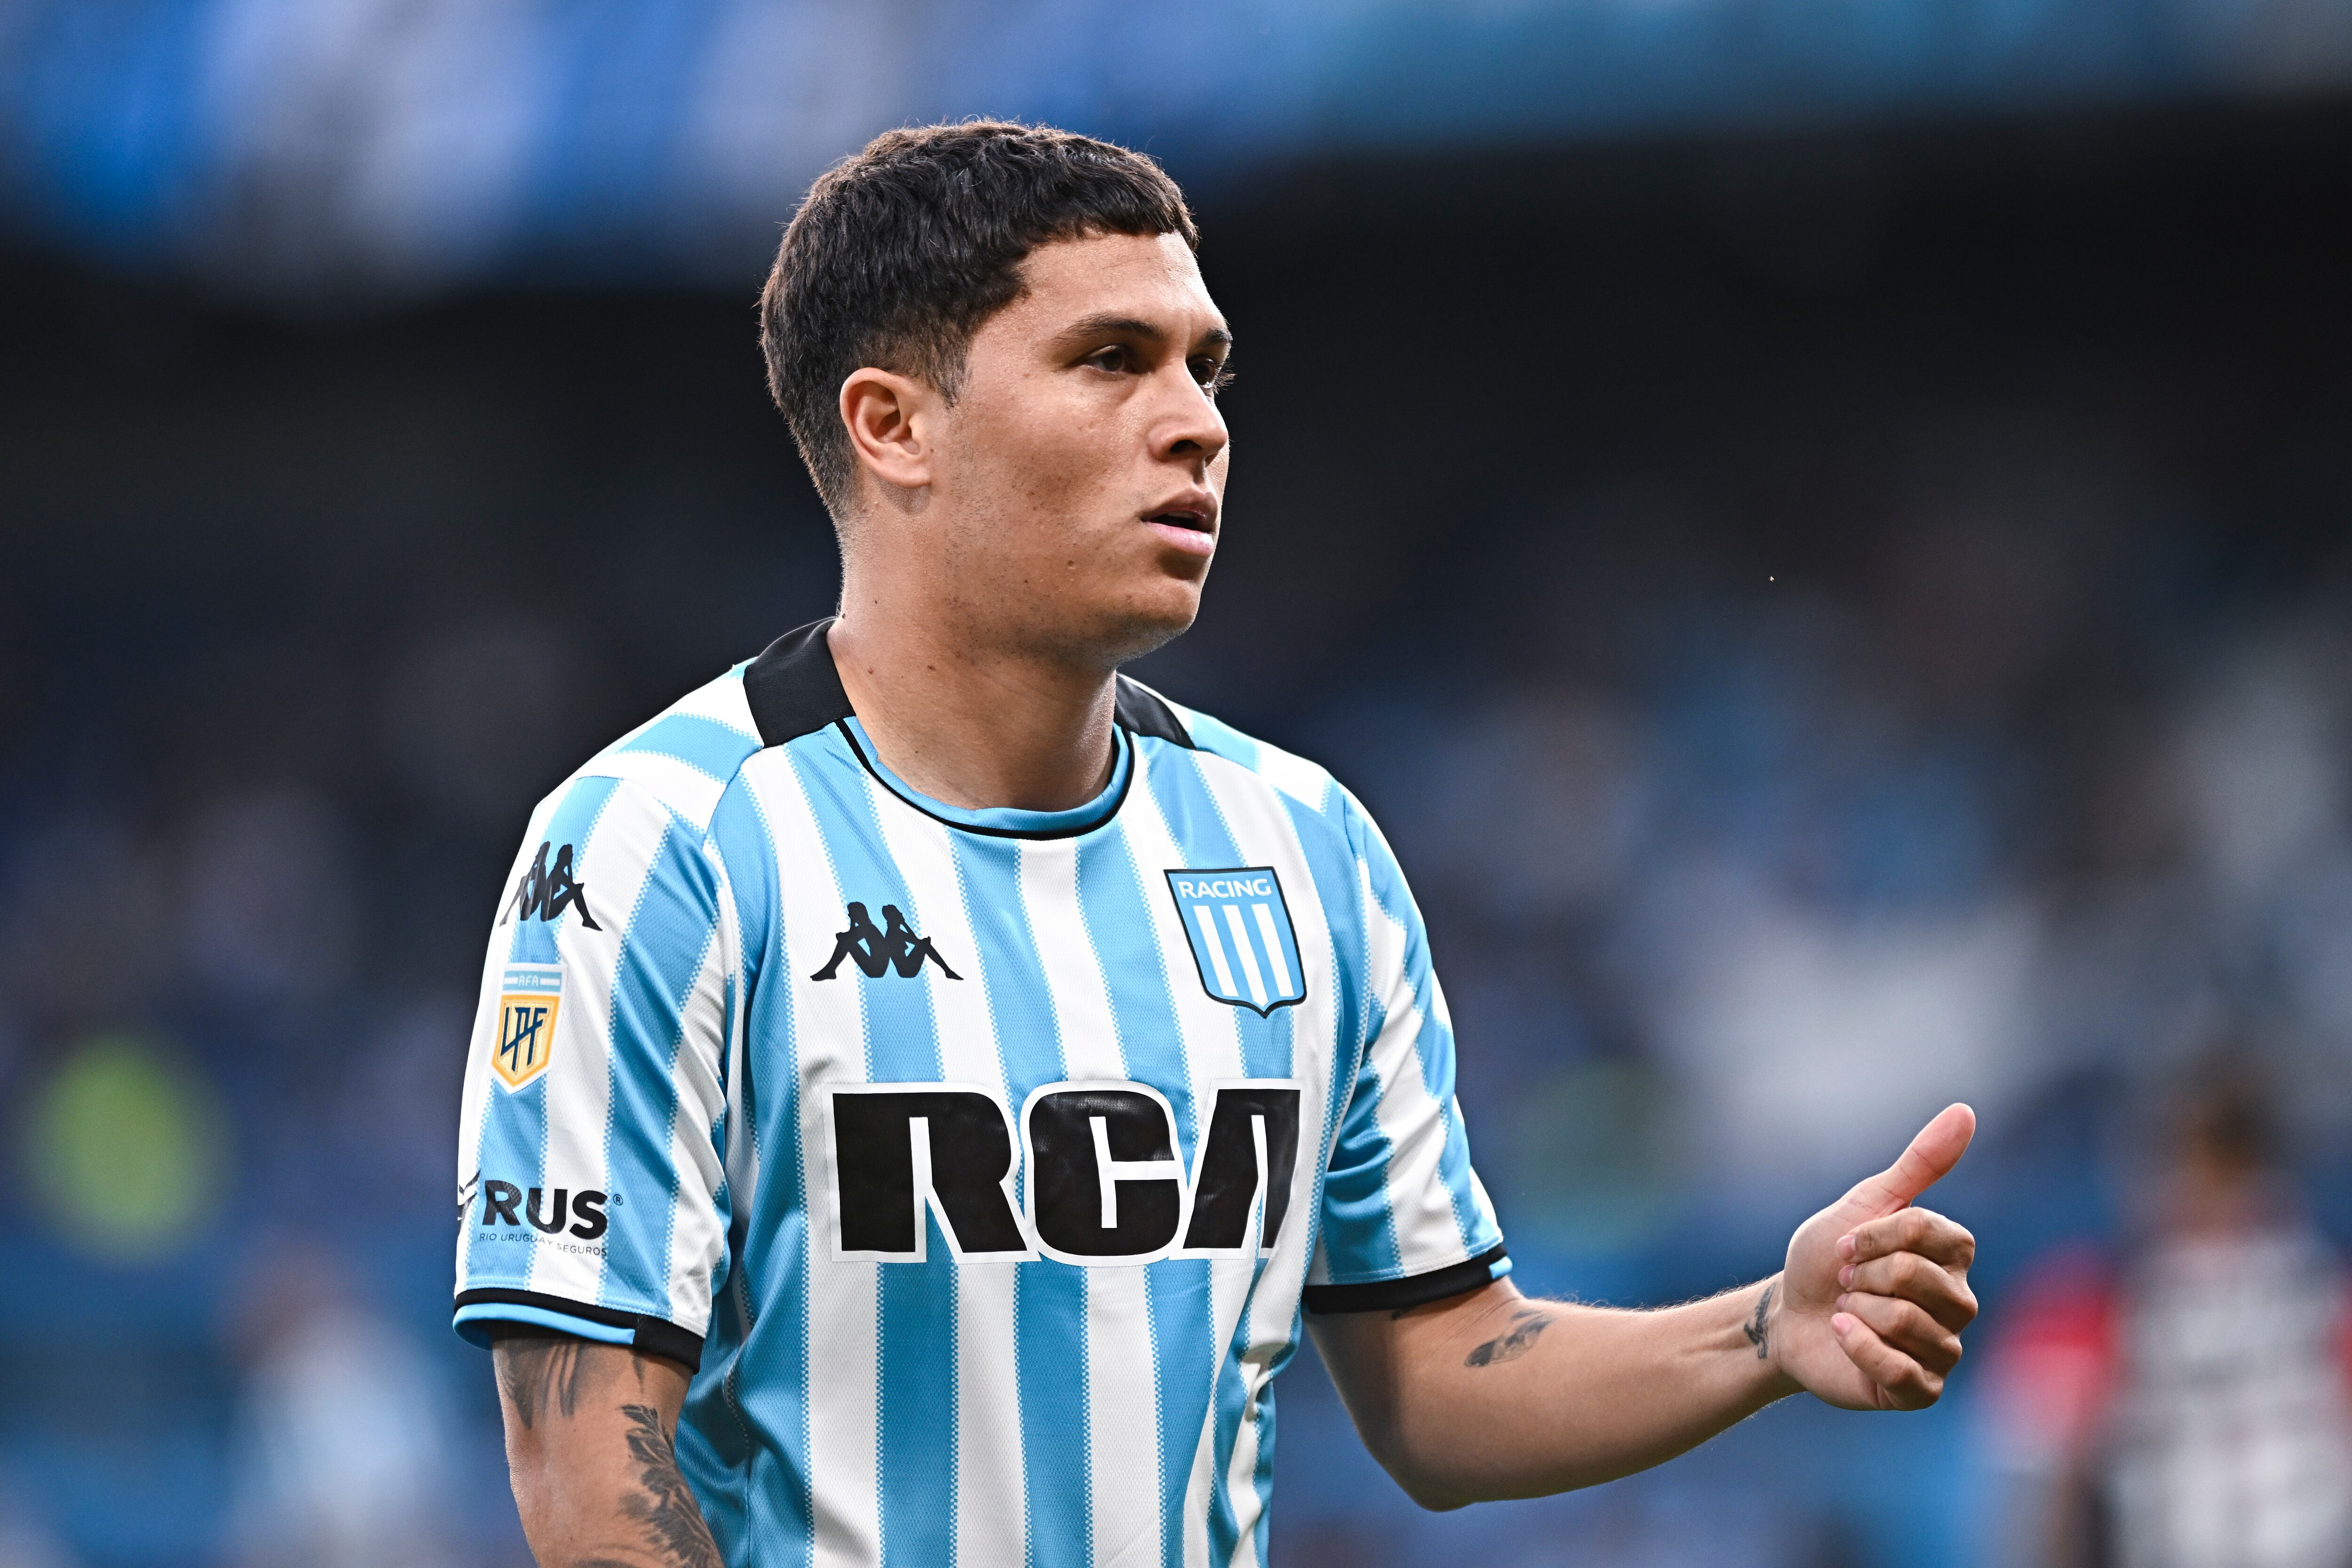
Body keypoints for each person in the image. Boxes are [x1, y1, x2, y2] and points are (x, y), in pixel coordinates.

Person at [451, 121, 1979, 1568]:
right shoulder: (658, 844)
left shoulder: (1303, 846)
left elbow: (1439, 1378)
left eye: (1206, 368)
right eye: (1111, 360)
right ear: (894, 425)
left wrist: (1764, 1331)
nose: (1196, 424)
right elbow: (589, 1472)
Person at [1983, 1077, 2352, 1568]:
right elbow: (2045, 1505)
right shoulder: (2087, 1307)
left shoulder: (2329, 1305)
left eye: (2222, 1167)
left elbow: (2042, 1511)